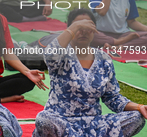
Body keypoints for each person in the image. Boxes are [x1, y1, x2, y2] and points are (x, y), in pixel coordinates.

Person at [33, 8, 146, 137]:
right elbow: (49, 55)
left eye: (88, 27)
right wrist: (73, 28)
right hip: (61, 121)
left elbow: (112, 97)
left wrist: (139, 107)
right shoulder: (62, 54)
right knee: (44, 120)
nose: (83, 32)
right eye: (79, 27)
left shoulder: (104, 59)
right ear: (70, 29)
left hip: (94, 125)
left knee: (136, 117)